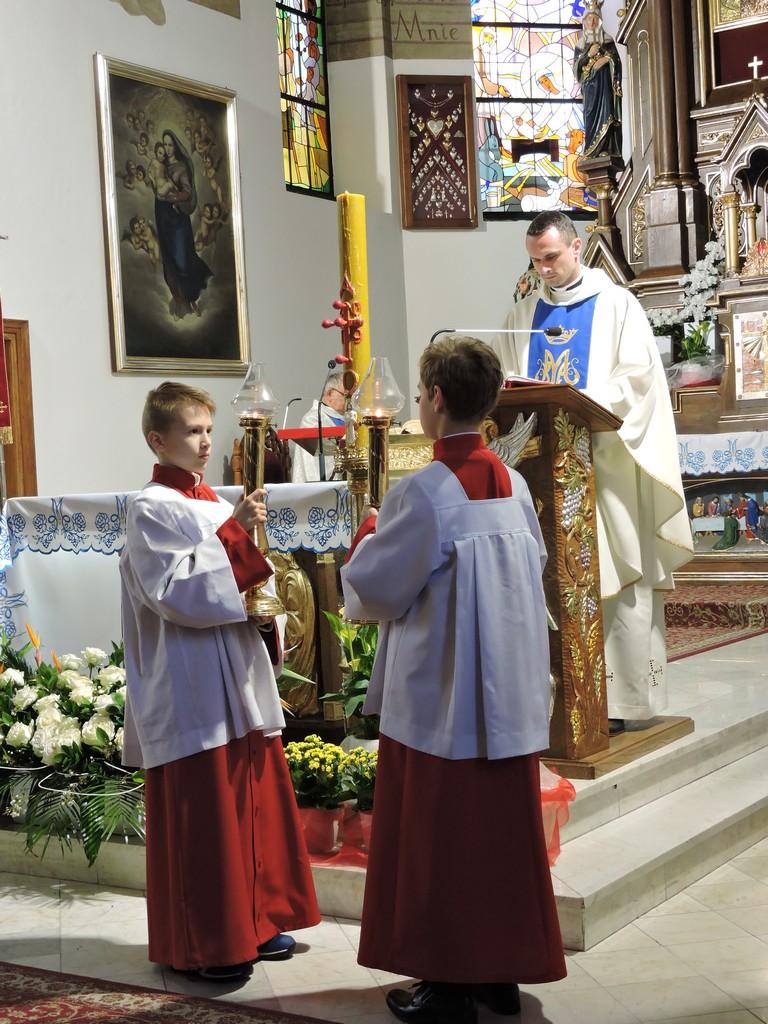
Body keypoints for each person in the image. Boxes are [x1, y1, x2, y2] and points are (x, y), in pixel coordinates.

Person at [341, 338, 565, 1024]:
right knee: (498, 839)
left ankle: (447, 983)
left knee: (441, 841)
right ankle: (497, 974)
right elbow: (532, 566)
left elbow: (378, 587)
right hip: (505, 699)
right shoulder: (514, 485)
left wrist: (366, 536)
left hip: (442, 699)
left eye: (420, 393)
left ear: (436, 399)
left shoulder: (425, 490)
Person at [120, 382, 319, 982]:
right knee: (206, 815)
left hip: (235, 674)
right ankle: (209, 942)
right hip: (191, 683)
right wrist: (235, 532)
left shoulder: (212, 501)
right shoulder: (150, 507)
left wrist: (266, 615)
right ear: (158, 440)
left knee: (248, 802)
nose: (206, 442)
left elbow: (251, 585)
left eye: (209, 429)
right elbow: (177, 592)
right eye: (192, 431)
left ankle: (255, 920)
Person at [499, 211, 693, 728]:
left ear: (576, 247)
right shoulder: (522, 315)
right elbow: (505, 381)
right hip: (541, 473)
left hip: (606, 467)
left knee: (615, 572)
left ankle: (619, 702)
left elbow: (639, 382)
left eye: (551, 257)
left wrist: (579, 399)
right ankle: (555, 704)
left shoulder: (616, 305)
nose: (543, 269)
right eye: (535, 261)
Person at [154, 130, 212, 319]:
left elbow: (187, 191)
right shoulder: (161, 166)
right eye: (165, 145)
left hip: (177, 218)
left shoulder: (181, 168)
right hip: (163, 216)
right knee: (169, 261)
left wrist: (174, 197)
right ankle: (181, 303)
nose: (168, 149)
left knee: (182, 260)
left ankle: (192, 296)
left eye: (170, 145)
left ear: (176, 146)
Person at [572, 0, 622, 158]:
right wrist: (588, 54)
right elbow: (576, 70)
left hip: (605, 88)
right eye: (589, 19)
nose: (592, 22)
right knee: (590, 117)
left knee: (607, 115)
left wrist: (607, 60)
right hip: (589, 90)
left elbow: (617, 62)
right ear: (584, 21)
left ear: (600, 20)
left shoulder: (607, 41)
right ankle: (591, 149)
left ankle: (606, 148)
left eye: (595, 18)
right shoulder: (580, 45)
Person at [291, 372, 346, 483]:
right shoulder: (312, 419)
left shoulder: (347, 418)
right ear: (330, 393)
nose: (350, 400)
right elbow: (310, 465)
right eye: (346, 395)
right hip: (321, 485)